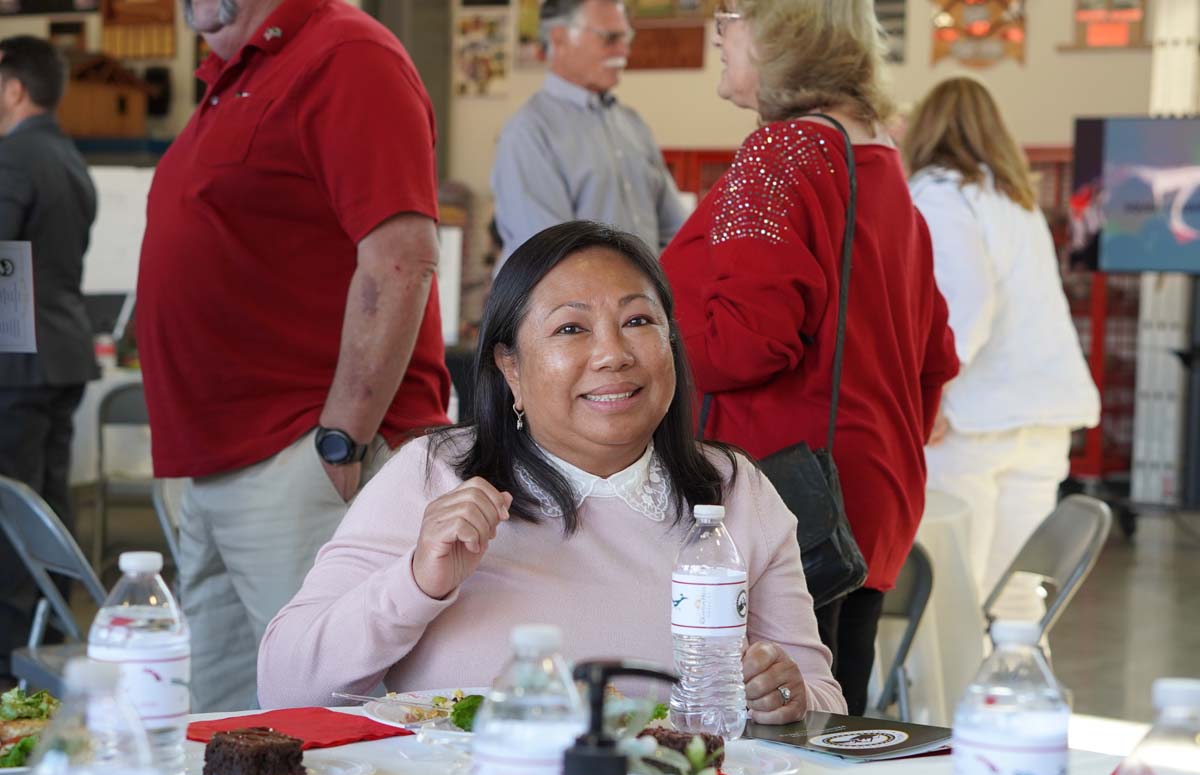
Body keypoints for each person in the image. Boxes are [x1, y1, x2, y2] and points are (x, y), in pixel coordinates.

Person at [258, 221, 847, 719]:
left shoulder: (734, 491)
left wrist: (785, 696)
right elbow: (285, 688)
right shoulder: (435, 474)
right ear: (510, 367)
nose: (613, 353)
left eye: (639, 321)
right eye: (570, 329)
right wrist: (416, 582)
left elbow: (823, 703)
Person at [137, 0, 451, 712]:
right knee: (219, 729)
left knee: (327, 719)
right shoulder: (233, 74)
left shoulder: (345, 54)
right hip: (218, 465)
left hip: (303, 455)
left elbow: (400, 259)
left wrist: (344, 437)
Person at [660, 0, 958, 715]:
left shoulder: (781, 151)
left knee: (753, 737)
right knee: (831, 726)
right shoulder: (879, 159)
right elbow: (936, 356)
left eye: (729, 14)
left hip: (778, 504)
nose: (719, 32)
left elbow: (742, 342)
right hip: (866, 496)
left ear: (779, 31)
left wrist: (648, 335)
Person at [904, 77, 1100, 623]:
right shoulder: (1016, 198)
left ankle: (952, 708)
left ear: (925, 129)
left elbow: (966, 303)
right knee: (1017, 594)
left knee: (954, 590)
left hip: (975, 420)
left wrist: (933, 389)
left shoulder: (940, 194)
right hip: (1040, 415)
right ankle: (1014, 694)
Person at [0, 35, 98, 679]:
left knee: (10, 516)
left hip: (16, 359)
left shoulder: (12, 157)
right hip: (63, 351)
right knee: (50, 508)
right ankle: (51, 646)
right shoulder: (70, 159)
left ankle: (11, 668)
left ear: (13, 88)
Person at [490, 0, 686, 265]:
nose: (624, 49)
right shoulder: (529, 132)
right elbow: (550, 258)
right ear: (559, 40)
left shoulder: (632, 124)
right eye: (610, 38)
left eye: (627, 36)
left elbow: (677, 233)